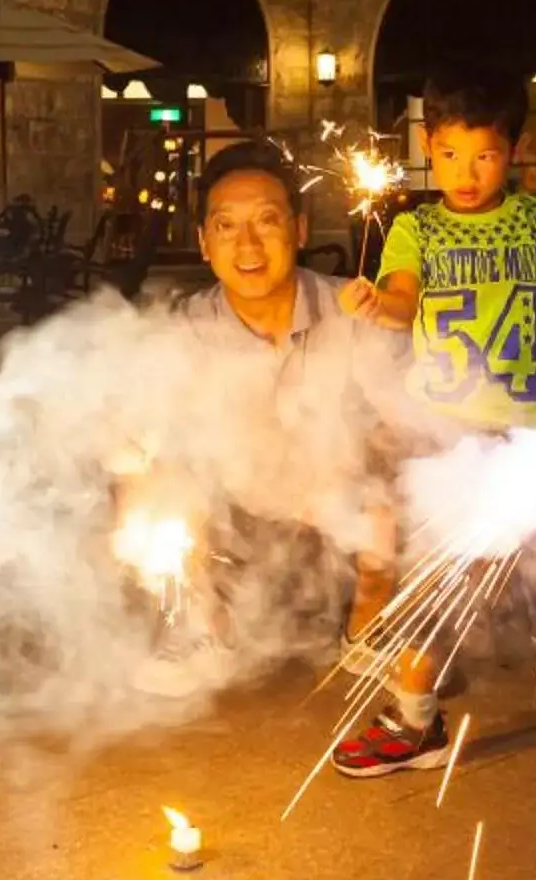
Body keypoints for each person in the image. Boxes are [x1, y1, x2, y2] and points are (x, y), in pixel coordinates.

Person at [328, 66, 536, 849]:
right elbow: (403, 300)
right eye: (448, 155)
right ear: (427, 149)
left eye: (485, 157)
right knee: (431, 589)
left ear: (516, 151)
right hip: (446, 443)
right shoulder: (416, 229)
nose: (466, 175)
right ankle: (417, 721)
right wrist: (376, 303)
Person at [125, 138, 400, 695]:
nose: (248, 243)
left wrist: (363, 467)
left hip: (338, 520)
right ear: (204, 242)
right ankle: (205, 627)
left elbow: (407, 416)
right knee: (150, 470)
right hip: (238, 527)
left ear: (299, 230)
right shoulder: (187, 330)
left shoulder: (353, 308)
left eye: (267, 221)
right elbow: (141, 432)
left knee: (405, 480)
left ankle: (368, 628)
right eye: (226, 226)